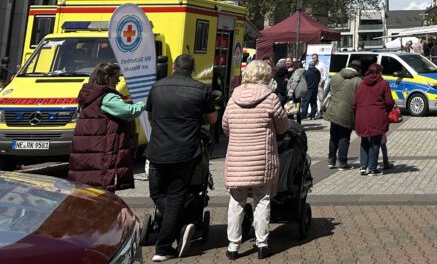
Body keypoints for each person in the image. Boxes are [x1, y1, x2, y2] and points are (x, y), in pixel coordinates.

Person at [146, 54, 217, 261]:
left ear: (174, 67)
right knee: (176, 196)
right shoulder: (201, 89)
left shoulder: (157, 87)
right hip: (186, 151)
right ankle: (169, 239)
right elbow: (212, 119)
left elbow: (150, 117)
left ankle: (166, 243)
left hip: (158, 149)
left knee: (157, 192)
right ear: (193, 69)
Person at [222, 60, 288, 260]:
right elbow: (283, 126)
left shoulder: (234, 98)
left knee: (236, 201)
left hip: (237, 158)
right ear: (266, 77)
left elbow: (226, 127)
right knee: (262, 200)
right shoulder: (271, 98)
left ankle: (233, 246)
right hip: (262, 159)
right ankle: (262, 243)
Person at [68, 62, 145, 191]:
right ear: (107, 78)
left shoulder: (88, 94)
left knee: (87, 188)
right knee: (102, 190)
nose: (118, 81)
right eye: (116, 78)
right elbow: (128, 112)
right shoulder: (107, 97)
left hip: (88, 148)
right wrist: (143, 104)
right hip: (102, 150)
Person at [352, 63, 394, 176]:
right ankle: (372, 168)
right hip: (378, 116)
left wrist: (357, 113)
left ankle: (363, 166)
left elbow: (354, 103)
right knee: (375, 142)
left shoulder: (361, 84)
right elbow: (389, 102)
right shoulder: (383, 84)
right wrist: (387, 110)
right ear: (379, 72)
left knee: (364, 140)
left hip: (362, 116)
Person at [324, 61, 362, 169]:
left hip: (333, 111)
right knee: (344, 138)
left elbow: (326, 91)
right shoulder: (358, 81)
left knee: (333, 137)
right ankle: (342, 163)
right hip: (347, 113)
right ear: (358, 70)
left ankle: (331, 161)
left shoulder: (336, 76)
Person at [313, 53, 329, 119]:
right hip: (313, 84)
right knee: (314, 98)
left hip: (320, 83)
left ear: (317, 58)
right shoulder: (311, 64)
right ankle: (314, 112)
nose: (313, 59)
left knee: (321, 98)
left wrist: (321, 82)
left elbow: (324, 74)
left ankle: (321, 112)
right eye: (312, 58)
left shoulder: (322, 65)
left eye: (315, 58)